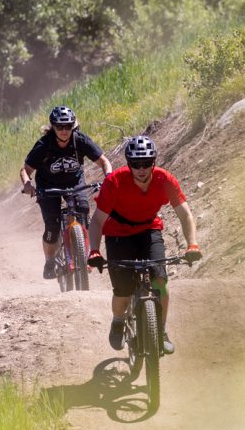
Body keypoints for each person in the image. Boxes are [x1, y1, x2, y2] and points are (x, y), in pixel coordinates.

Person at [86, 135, 201, 355]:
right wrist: (94, 250)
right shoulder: (115, 182)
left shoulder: (164, 179)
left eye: (146, 163)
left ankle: (161, 331)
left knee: (160, 282)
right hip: (118, 233)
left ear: (154, 161)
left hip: (148, 229)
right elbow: (97, 221)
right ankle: (118, 321)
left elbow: (185, 215)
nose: (141, 169)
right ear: (128, 163)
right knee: (123, 290)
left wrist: (192, 245)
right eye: (136, 164)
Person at [21, 105, 112, 279]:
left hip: (74, 183)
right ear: (53, 127)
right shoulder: (44, 145)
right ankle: (49, 261)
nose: (64, 130)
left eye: (68, 126)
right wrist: (27, 184)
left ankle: (83, 250)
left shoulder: (80, 140)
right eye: (60, 126)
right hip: (48, 186)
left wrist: (109, 177)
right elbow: (25, 169)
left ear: (73, 126)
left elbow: (104, 162)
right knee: (52, 227)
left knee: (83, 209)